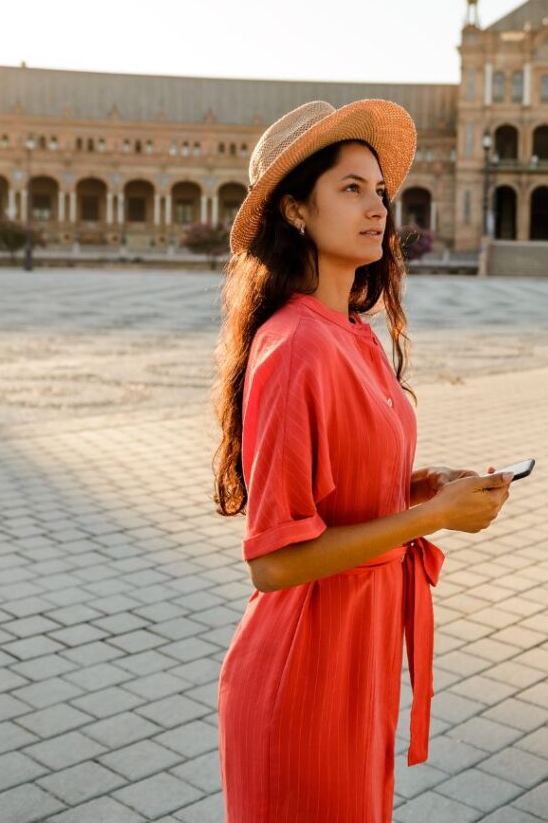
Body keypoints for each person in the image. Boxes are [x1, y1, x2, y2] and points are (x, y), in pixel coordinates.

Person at [211, 98, 514, 822]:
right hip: (306, 668)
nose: (377, 206)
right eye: (351, 188)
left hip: (359, 656)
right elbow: (274, 562)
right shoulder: (294, 347)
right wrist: (430, 518)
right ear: (295, 212)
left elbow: (344, 474)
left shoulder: (353, 334)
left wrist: (422, 482)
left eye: (379, 190)